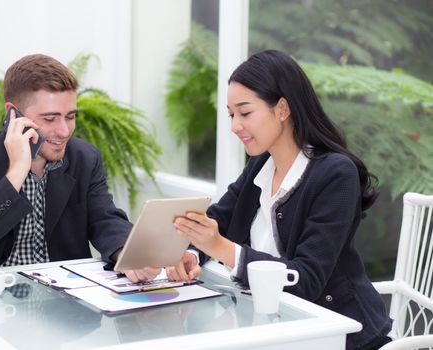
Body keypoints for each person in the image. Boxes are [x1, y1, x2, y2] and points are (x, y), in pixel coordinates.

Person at [167, 50, 392, 349]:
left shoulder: (336, 173)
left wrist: (219, 246)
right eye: (232, 115)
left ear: (282, 108)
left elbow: (307, 279)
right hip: (273, 328)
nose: (235, 126)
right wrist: (193, 254)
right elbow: (218, 218)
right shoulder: (261, 164)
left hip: (338, 335)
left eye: (245, 113)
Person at [0, 54, 157, 282]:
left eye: (70, 117)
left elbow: (105, 219)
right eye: (50, 119)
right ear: (13, 115)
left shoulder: (84, 158)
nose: (64, 131)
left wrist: (129, 255)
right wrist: (15, 175)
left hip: (65, 299)